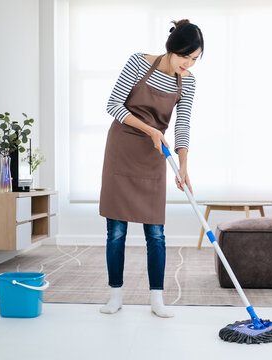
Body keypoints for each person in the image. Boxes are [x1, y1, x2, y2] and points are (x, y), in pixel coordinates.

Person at [98, 19, 204, 317]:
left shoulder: (188, 82)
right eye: (185, 56)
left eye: (195, 59)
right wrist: (151, 130)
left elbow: (182, 124)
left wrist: (183, 167)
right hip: (122, 147)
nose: (189, 64)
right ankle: (115, 295)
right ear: (171, 49)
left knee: (155, 232)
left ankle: (157, 299)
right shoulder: (138, 62)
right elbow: (113, 105)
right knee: (116, 231)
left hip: (153, 153)